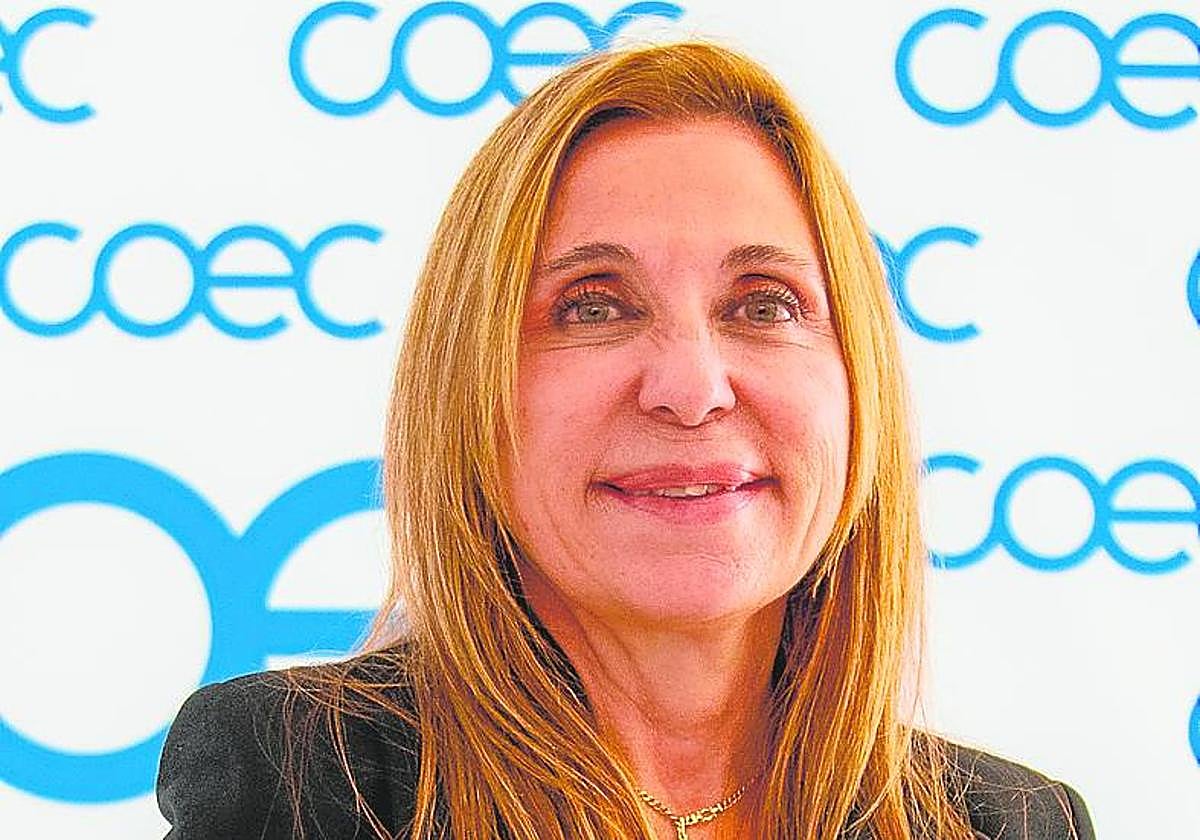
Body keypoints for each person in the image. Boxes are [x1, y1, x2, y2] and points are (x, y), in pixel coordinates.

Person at [156, 42, 1094, 840]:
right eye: (593, 306)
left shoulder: (1011, 822)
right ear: (469, 386)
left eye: (764, 305)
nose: (692, 389)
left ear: (858, 379)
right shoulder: (303, 786)